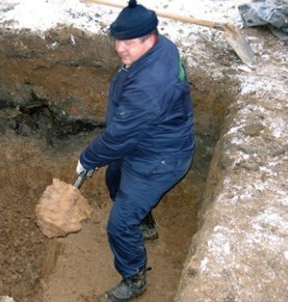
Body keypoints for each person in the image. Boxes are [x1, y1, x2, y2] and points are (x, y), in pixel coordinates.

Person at [75, 0, 195, 301]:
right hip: (147, 142)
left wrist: (87, 158)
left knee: (119, 225)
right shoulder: (160, 47)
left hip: (161, 158)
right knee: (114, 178)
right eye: (118, 40)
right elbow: (124, 136)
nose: (120, 49)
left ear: (150, 38)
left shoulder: (149, 85)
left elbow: (118, 138)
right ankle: (145, 221)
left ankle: (134, 277)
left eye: (129, 43)